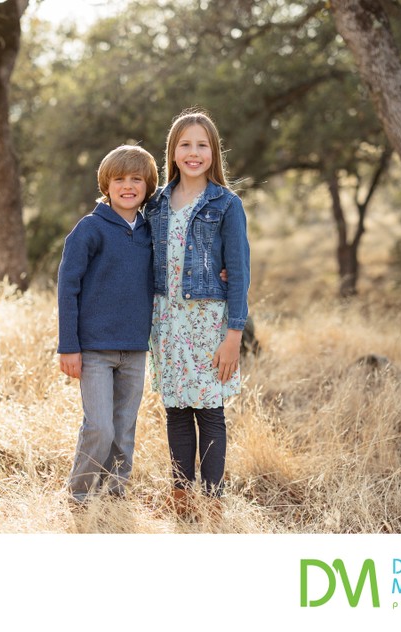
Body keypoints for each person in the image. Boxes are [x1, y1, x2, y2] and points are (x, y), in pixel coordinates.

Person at [145, 108, 251, 518]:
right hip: (167, 322)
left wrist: (234, 335)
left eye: (202, 145)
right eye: (185, 145)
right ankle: (182, 496)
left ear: (213, 152)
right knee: (175, 410)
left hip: (209, 324)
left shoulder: (226, 205)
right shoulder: (155, 205)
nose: (193, 153)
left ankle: (213, 501)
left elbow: (239, 272)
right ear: (172, 152)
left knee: (209, 411)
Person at [57, 144, 159, 506]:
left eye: (136, 179)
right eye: (119, 179)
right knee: (99, 426)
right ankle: (80, 494)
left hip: (134, 348)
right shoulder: (90, 229)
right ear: (106, 184)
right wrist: (68, 346)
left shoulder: (151, 232)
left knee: (124, 429)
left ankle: (114, 494)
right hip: (94, 349)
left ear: (149, 185)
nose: (128, 186)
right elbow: (67, 288)